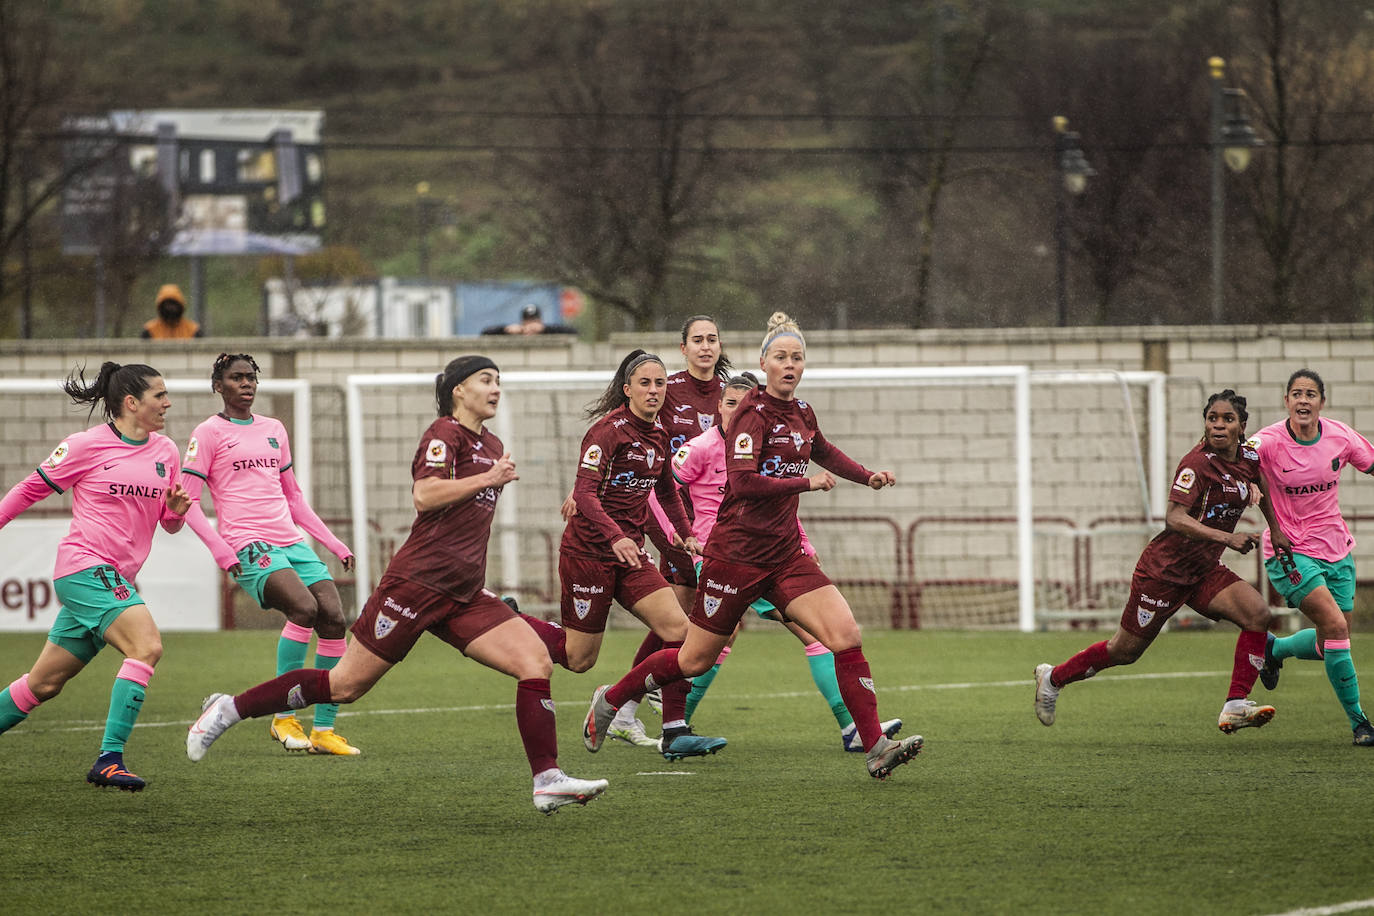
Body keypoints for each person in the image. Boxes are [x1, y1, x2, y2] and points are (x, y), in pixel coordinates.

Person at [188, 355, 608, 814]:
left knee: (535, 664)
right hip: (415, 585)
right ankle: (229, 709)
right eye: (485, 380)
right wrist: (488, 477)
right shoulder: (443, 435)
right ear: (458, 391)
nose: (496, 389)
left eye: (498, 381)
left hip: (463, 593)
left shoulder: (493, 443)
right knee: (345, 685)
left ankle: (546, 779)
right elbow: (425, 495)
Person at [580, 313, 923, 780]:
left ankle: (873, 744)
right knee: (692, 658)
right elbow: (742, 483)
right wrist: (804, 484)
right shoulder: (751, 414)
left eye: (797, 358)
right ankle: (615, 698)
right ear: (763, 362)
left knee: (845, 635)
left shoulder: (802, 412)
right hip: (734, 557)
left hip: (784, 557)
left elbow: (822, 449)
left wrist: (867, 477)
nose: (789, 365)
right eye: (780, 357)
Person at [663, 371, 903, 751]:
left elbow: (778, 506)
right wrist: (680, 533)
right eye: (730, 403)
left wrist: (803, 542)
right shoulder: (701, 447)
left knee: (810, 634)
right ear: (718, 409)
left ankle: (670, 722)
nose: (738, 410)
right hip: (724, 555)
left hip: (770, 556)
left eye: (743, 403)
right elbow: (662, 488)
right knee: (697, 649)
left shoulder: (763, 444)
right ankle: (657, 716)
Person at [514, 349, 728, 761]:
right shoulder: (607, 431)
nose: (653, 390)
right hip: (588, 554)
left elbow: (665, 491)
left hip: (630, 557)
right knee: (578, 660)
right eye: (645, 383)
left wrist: (686, 536)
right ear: (627, 390)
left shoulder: (660, 435)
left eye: (660, 383)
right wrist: (614, 536)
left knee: (683, 634)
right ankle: (511, 618)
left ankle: (671, 729)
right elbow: (584, 493)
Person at [1033, 389, 1282, 734]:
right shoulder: (1197, 464)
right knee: (1125, 651)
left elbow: (1261, 481)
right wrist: (1228, 538)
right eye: (1213, 419)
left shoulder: (1248, 457)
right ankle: (1053, 678)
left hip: (1203, 570)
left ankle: (1235, 705)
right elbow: (1174, 518)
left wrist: (1277, 531)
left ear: (1242, 426)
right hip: (1164, 571)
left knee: (1258, 614)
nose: (1219, 425)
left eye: (1228, 419)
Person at [0, 362, 190, 791]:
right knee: (147, 646)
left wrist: (175, 514)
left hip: (112, 579)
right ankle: (109, 759)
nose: (167, 403)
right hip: (84, 568)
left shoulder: (166, 452)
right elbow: (31, 487)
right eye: (159, 395)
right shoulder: (85, 446)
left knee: (43, 684)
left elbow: (167, 522)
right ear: (131, 403)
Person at [181, 353, 361, 756]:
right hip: (247, 542)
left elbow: (293, 497)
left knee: (334, 617)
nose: (246, 384)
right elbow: (187, 503)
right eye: (236, 378)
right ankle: (284, 718)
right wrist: (220, 549)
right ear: (219, 386)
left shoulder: (274, 429)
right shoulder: (208, 433)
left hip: (290, 541)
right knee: (304, 608)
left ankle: (324, 730)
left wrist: (334, 543)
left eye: (251, 378)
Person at [599, 315, 732, 748]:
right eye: (697, 339)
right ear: (683, 347)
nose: (706, 347)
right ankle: (653, 713)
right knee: (689, 620)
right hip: (672, 519)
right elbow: (620, 438)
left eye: (712, 339)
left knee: (685, 618)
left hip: (713, 525)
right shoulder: (666, 388)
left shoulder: (732, 393)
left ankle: (630, 707)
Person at [1252, 368, 1374, 746]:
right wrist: (1248, 486)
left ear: (1322, 401)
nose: (1303, 400)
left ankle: (1276, 648)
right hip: (1289, 552)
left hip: (1336, 549)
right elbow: (1234, 462)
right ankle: (1360, 724)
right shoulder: (1268, 441)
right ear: (1285, 401)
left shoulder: (1339, 435)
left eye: (1310, 394)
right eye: (1296, 394)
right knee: (1337, 629)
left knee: (1329, 643)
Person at [480, 303, 576, 336]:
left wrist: (544, 329)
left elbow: (572, 331)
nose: (531, 325)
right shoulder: (517, 333)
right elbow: (485, 332)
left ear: (540, 321)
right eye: (528, 321)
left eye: (534, 321)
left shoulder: (547, 332)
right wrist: (505, 329)